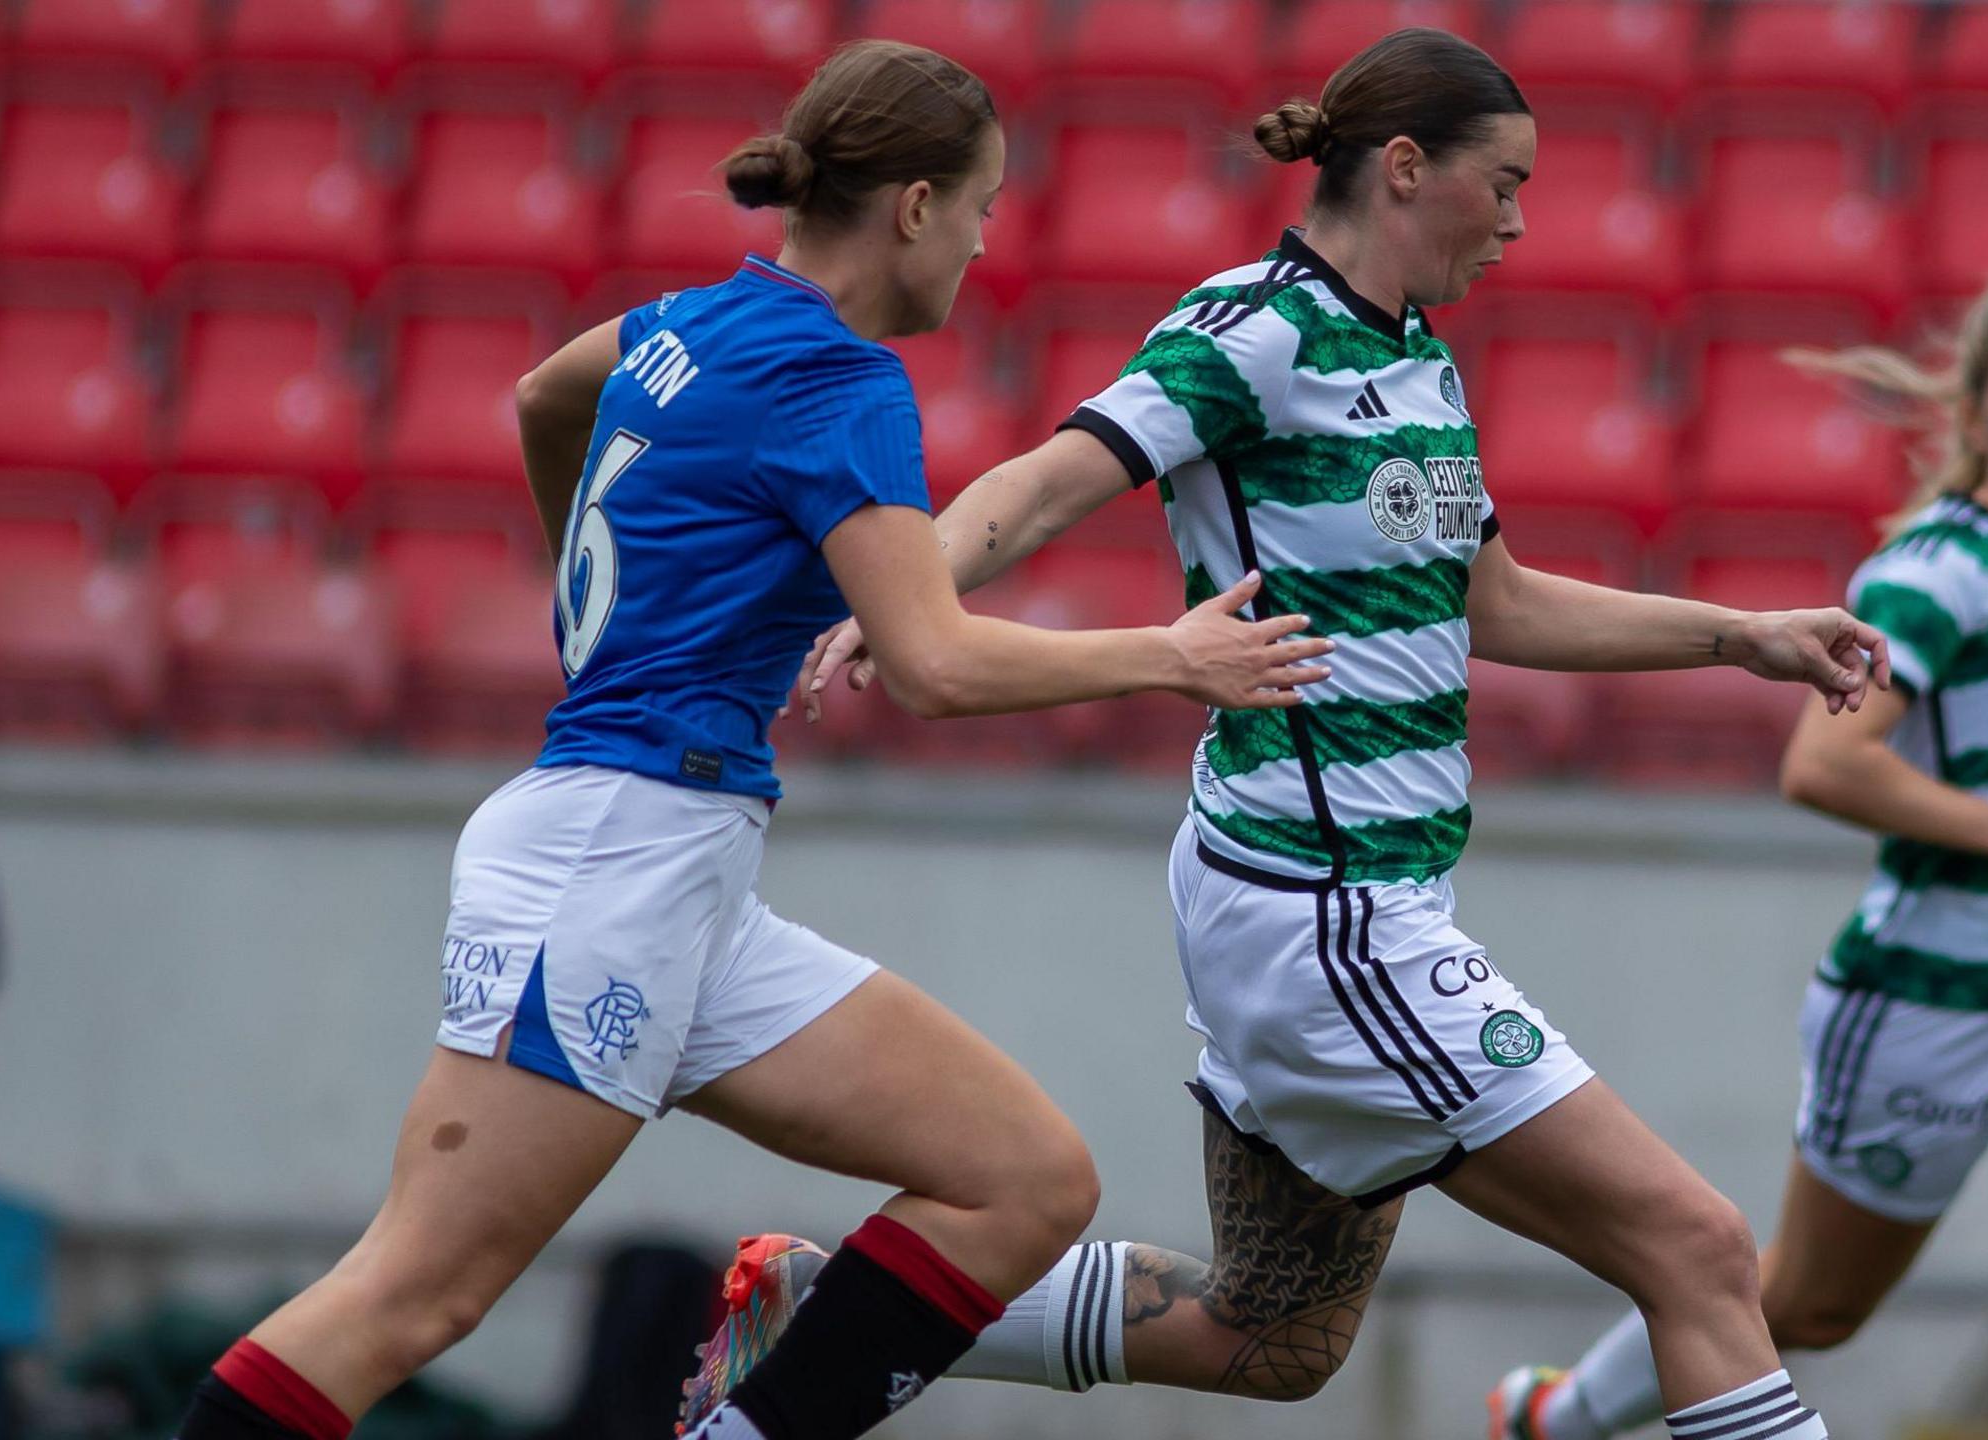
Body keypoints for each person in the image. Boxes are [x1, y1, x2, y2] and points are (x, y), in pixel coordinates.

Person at [686, 29, 1892, 1440]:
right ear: (1401, 169)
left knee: (1273, 1335)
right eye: (1500, 184)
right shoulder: (1250, 329)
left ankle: (824, 1310)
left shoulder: (1419, 359)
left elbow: (1491, 603)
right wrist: (913, 590)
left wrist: (1739, 636)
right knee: (1697, 1248)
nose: (1517, 220)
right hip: (1328, 917)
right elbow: (1049, 479)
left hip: (1324, 900)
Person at [168, 41, 1331, 1440]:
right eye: (979, 203)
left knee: (1021, 1178)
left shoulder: (682, 327)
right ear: (911, 206)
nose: (984, 236)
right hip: (612, 865)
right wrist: (1174, 655)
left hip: (682, 871)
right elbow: (937, 665)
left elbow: (548, 391)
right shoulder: (838, 382)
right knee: (412, 1300)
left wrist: (608, 600)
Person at [1490, 273, 1988, 1440]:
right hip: (1934, 989)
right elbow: (1824, 767)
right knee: (1810, 1305)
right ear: (1976, 421)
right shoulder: (1932, 573)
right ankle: (1558, 1420)